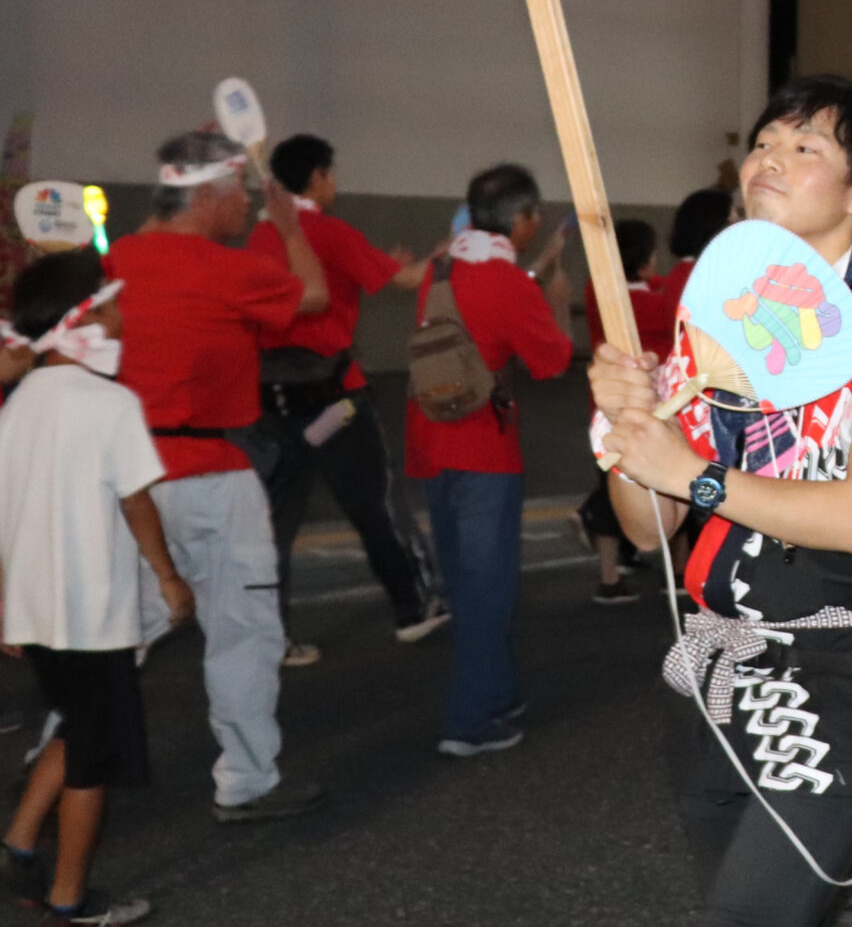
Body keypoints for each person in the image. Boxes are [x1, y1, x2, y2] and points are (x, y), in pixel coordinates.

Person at [591, 74, 852, 927]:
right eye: (766, 141)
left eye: (807, 148)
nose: (770, 159)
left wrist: (692, 473)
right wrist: (632, 428)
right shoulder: (717, 325)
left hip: (843, 676)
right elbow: (646, 529)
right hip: (721, 668)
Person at [107, 131, 327, 824]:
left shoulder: (112, 262)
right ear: (205, 195)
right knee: (244, 631)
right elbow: (314, 295)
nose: (247, 209)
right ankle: (247, 779)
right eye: (239, 195)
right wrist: (289, 224)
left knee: (111, 635)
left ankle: (61, 762)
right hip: (213, 476)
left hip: (125, 481)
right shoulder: (226, 269)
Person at [0, 253, 190, 925]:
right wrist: (168, 575)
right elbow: (137, 502)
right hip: (92, 613)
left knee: (79, 721)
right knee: (93, 758)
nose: (120, 317)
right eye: (109, 306)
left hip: (34, 611)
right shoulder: (112, 403)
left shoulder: (19, 402)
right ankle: (70, 898)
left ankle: (20, 840)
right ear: (81, 321)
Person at [249, 134, 445, 666]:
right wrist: (446, 260)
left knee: (273, 525)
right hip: (336, 405)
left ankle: (274, 639)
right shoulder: (329, 231)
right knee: (375, 505)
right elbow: (404, 279)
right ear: (316, 177)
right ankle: (413, 608)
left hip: (272, 405)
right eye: (331, 174)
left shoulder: (261, 238)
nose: (334, 184)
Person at [405, 164, 574, 758]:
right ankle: (467, 722)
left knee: (464, 579)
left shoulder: (441, 267)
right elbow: (552, 360)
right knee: (487, 589)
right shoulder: (510, 283)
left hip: (431, 440)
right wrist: (555, 302)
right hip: (485, 448)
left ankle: (498, 690)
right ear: (522, 220)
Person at [578, 217, 677, 605]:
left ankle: (613, 571)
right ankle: (668, 573)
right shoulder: (658, 305)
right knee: (647, 486)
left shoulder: (595, 293)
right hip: (651, 408)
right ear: (646, 261)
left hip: (604, 406)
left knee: (610, 483)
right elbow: (669, 300)